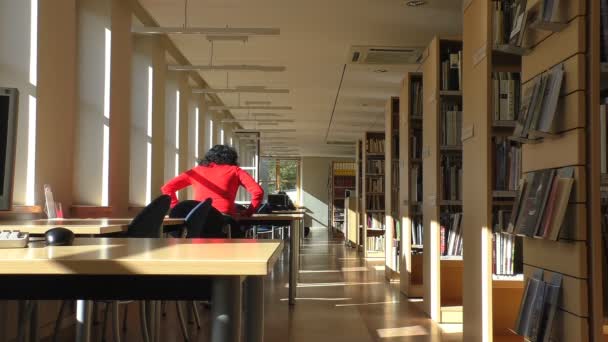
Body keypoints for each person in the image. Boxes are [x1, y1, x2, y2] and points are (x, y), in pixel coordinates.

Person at [161, 145, 264, 217]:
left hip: (198, 218)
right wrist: (249, 212)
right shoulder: (235, 171)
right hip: (224, 218)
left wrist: (176, 208)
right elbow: (258, 191)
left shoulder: (196, 171)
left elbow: (167, 188)